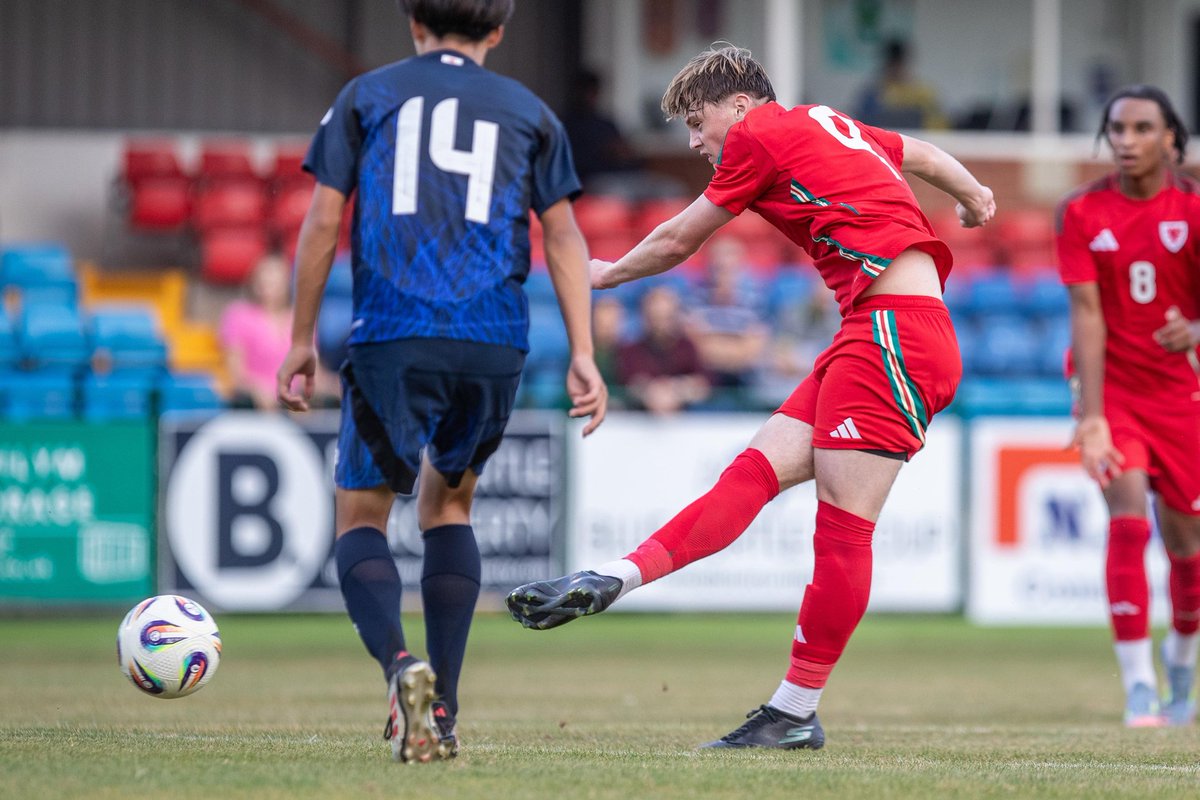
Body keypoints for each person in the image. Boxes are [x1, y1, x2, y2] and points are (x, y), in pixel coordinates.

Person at [506, 43, 994, 750]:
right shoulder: (825, 120)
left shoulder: (759, 135)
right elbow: (917, 152)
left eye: (698, 122)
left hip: (895, 335)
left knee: (843, 527)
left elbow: (679, 240)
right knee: (750, 476)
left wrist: (601, 274)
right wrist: (974, 195)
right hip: (874, 332)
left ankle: (794, 711)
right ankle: (614, 576)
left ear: (741, 103)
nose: (695, 140)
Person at [276, 0, 607, 763]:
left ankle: (401, 668)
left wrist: (301, 339)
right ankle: (445, 710)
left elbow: (324, 221)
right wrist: (584, 350)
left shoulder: (367, 95)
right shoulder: (529, 111)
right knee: (448, 504)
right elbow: (562, 232)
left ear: (413, 23)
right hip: (493, 340)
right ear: (498, 29)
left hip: (394, 333)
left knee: (361, 518)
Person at [1056, 84, 1200, 728]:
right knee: (1128, 520)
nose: (1126, 139)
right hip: (1113, 389)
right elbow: (1086, 316)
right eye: (1117, 127)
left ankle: (1183, 665)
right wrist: (1090, 412)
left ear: (1172, 138)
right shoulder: (1081, 212)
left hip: (1183, 392)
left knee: (1187, 546)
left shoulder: (1196, 208)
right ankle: (1138, 684)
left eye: (1143, 128)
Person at [685, 236, 770, 398]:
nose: (725, 274)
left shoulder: (756, 298)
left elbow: (754, 349)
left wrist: (716, 344)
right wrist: (736, 347)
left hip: (746, 377)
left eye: (731, 268)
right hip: (706, 377)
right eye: (719, 268)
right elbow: (696, 347)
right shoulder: (695, 297)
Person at [219, 253, 300, 410]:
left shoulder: (299, 318)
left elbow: (313, 370)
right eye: (264, 279)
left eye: (274, 280)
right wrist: (258, 390)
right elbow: (235, 372)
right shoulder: (238, 315)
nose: (268, 285)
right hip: (252, 404)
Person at [618, 283, 711, 414]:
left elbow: (703, 384)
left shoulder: (687, 347)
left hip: (686, 422)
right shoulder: (631, 351)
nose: (661, 326)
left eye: (666, 318)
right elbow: (630, 385)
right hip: (639, 421)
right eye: (656, 318)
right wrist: (651, 392)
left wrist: (676, 390)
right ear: (645, 317)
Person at [854, 38, 947, 131]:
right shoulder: (873, 93)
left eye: (898, 63)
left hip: (916, 141)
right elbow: (862, 126)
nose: (895, 68)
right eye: (892, 64)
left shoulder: (923, 93)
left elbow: (939, 126)